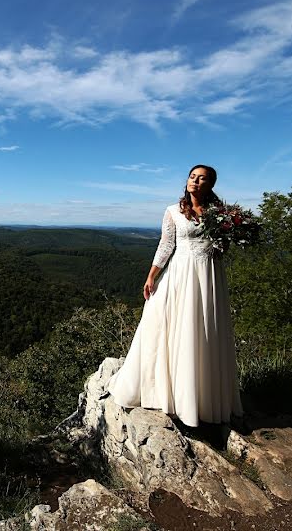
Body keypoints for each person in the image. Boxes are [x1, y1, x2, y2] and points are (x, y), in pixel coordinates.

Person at [107, 164, 242, 427]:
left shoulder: (220, 214)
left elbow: (223, 247)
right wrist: (151, 276)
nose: (195, 181)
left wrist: (231, 234)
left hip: (210, 275)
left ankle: (203, 398)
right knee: (170, 327)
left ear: (211, 184)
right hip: (180, 274)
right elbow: (166, 244)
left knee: (205, 329)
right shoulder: (173, 211)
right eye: (193, 177)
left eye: (202, 178)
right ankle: (170, 393)